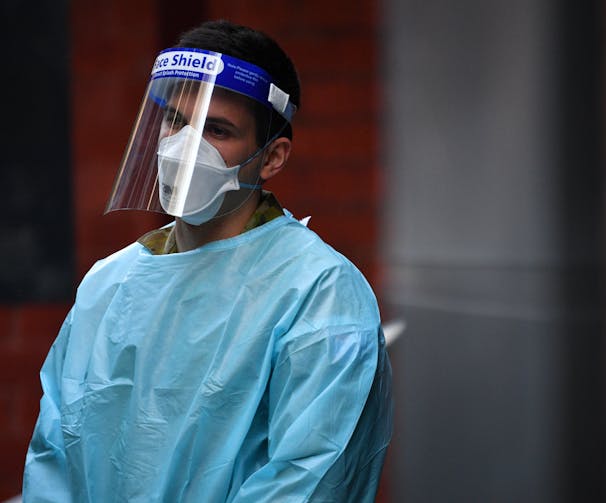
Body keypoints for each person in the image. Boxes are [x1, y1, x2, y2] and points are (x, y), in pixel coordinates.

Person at [23, 20, 392, 502]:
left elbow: (310, 479)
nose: (185, 148)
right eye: (176, 121)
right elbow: (55, 456)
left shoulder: (320, 293)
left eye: (217, 130)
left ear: (272, 157)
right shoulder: (108, 284)